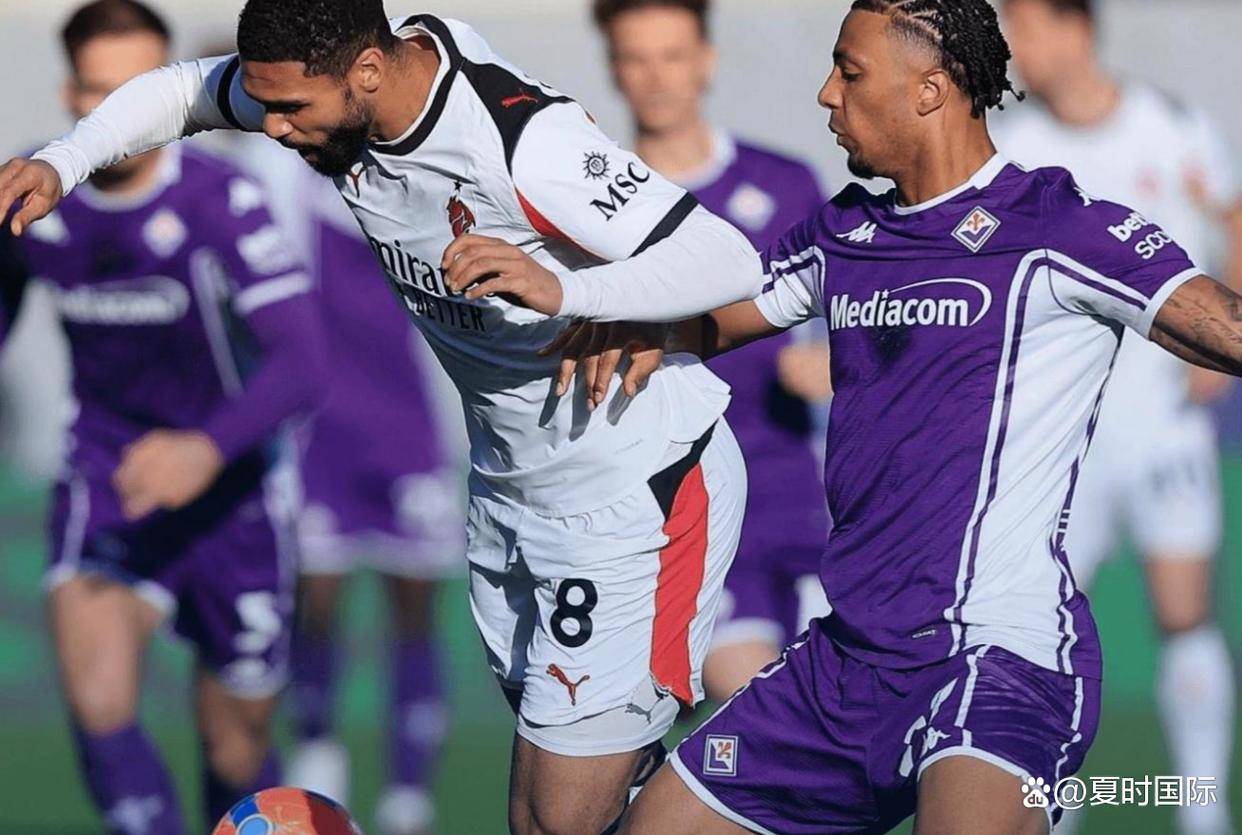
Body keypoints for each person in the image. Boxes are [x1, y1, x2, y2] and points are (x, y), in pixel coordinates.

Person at [415, 0, 1242, 831]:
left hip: (995, 656)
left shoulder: (1055, 226)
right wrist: (596, 306)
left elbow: (1225, 328)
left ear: (928, 90)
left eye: (850, 72)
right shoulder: (842, 230)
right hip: (844, 664)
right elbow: (707, 320)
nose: (826, 93)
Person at [0, 2, 760, 831]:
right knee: (588, 800)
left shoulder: (521, 141)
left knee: (555, 817)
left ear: (366, 72)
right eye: (266, 107)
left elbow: (727, 259)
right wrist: (65, 161)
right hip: (514, 492)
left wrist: (571, 290)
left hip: (635, 489)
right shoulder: (330, 91)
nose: (274, 130)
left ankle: (783, 778)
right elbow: (184, 92)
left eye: (292, 110)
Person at [0, 2, 327, 833]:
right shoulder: (34, 195)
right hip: (106, 477)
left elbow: (303, 363)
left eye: (139, 92)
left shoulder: (221, 200)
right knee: (99, 701)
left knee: (235, 749)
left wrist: (204, 449)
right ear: (72, 94)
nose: (123, 121)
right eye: (101, 94)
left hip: (233, 491)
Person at [993, 3, 1238, 832]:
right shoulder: (1015, 148)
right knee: (1050, 635)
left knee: (1184, 614)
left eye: (1025, 28)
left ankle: (1202, 812)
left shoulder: (1170, 126)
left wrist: (1217, 347)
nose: (1014, 49)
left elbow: (1234, 218)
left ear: (1075, 29)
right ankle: (1055, 812)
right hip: (1060, 436)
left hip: (1163, 421)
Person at [593, 0, 832, 699]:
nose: (656, 77)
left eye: (672, 55)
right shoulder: (598, 210)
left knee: (858, 717)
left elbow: (865, 319)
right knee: (758, 698)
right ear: (614, 68)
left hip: (807, 499)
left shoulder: (786, 183)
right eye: (636, 58)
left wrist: (838, 362)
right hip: (688, 507)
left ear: (706, 61)